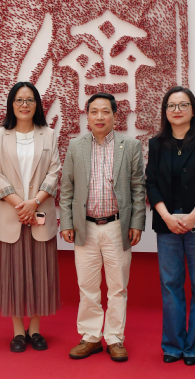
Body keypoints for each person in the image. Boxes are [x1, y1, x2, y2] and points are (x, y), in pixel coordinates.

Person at [60, 92, 146, 362]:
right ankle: (91, 337)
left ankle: (115, 338)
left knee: (118, 286)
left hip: (116, 226)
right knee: (87, 286)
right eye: (94, 111)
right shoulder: (76, 146)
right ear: (87, 115)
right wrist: (66, 222)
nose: (99, 117)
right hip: (84, 227)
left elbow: (138, 188)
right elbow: (67, 188)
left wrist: (137, 222)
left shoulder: (130, 146)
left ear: (115, 116)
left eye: (105, 111)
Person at [145, 86, 195, 366]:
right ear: (165, 111)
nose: (177, 110)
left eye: (183, 105)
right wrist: (166, 216)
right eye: (171, 105)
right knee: (170, 285)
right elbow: (151, 183)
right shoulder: (157, 143)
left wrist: (194, 215)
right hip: (167, 223)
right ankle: (173, 345)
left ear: (192, 110)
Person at [0, 81, 61, 353]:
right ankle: (18, 331)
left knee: (41, 273)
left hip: (40, 212)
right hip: (12, 215)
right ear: (11, 104)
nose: (24, 105)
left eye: (30, 100)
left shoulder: (48, 134)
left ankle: (36, 329)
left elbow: (54, 171)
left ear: (37, 104)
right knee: (13, 274)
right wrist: (22, 205)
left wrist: (35, 202)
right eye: (19, 100)